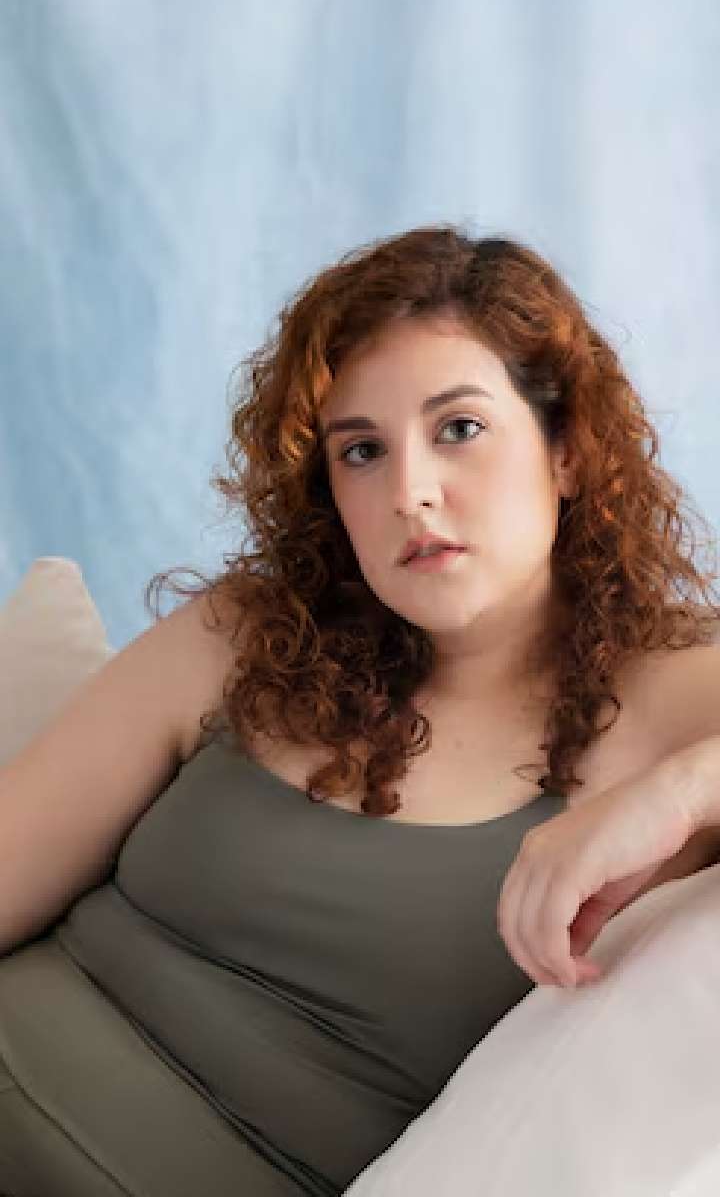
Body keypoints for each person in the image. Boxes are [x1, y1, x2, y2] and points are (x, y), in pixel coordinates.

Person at [1, 223, 720, 1195]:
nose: (410, 492)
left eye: (458, 428)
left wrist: (679, 792)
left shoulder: (675, 698)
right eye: (363, 451)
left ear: (568, 450)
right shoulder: (247, 632)